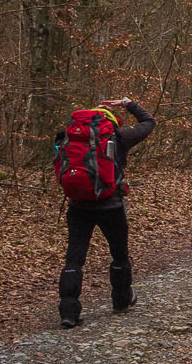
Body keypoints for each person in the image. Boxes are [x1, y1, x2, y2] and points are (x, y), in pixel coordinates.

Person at [54, 97, 156, 328]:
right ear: (111, 120)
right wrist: (128, 103)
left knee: (74, 257)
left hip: (78, 206)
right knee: (119, 254)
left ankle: (68, 312)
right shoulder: (119, 137)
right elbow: (149, 122)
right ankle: (121, 300)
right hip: (111, 206)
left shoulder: (67, 136)